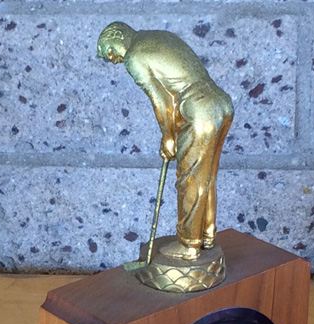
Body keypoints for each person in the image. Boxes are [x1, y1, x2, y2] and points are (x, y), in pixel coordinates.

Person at [97, 22, 234, 261]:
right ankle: (207, 235)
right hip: (221, 104)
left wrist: (168, 136)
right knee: (206, 176)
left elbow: (161, 100)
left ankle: (189, 245)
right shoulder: (159, 36)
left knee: (189, 179)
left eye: (109, 52)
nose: (113, 59)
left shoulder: (135, 56)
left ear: (117, 36)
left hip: (199, 110)